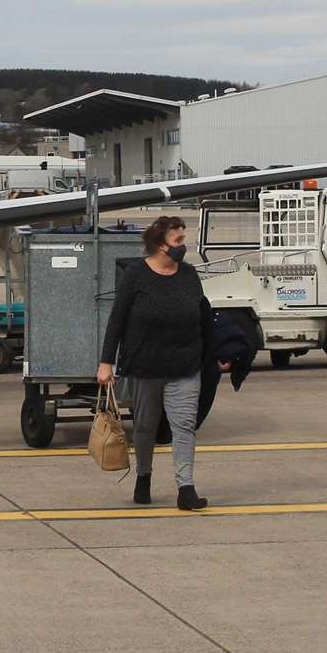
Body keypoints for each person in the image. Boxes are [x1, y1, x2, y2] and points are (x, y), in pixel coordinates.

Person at [98, 216, 215, 510]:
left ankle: (185, 488)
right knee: (145, 427)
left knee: (184, 426)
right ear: (160, 245)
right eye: (178, 241)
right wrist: (106, 362)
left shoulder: (188, 275)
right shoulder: (136, 276)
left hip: (185, 366)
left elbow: (203, 317)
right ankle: (143, 476)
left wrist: (216, 355)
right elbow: (117, 320)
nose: (183, 246)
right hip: (145, 366)